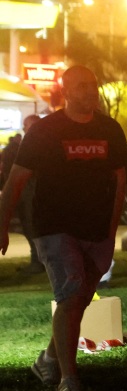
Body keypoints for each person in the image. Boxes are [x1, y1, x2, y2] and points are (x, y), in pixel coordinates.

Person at [0, 65, 127, 391]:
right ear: (66, 90)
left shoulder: (110, 129)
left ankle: (47, 358)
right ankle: (68, 380)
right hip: (54, 227)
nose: (91, 91)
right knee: (71, 296)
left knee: (80, 298)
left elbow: (119, 182)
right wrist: (2, 226)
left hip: (97, 228)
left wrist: (112, 229)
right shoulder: (46, 130)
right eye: (82, 86)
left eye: (94, 85)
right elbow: (15, 181)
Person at [15, 115, 45, 273]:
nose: (24, 127)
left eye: (26, 125)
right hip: (28, 190)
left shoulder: (38, 144)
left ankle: (38, 261)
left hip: (33, 191)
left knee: (33, 225)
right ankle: (38, 260)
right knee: (29, 225)